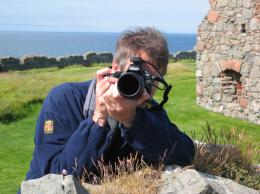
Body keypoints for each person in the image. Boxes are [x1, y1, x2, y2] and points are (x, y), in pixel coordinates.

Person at [23, 27, 195, 183]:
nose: (141, 87)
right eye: (135, 75)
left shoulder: (147, 109)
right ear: (114, 68)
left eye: (151, 81)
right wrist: (98, 118)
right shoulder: (65, 99)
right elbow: (56, 176)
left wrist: (133, 122)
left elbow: (185, 153)